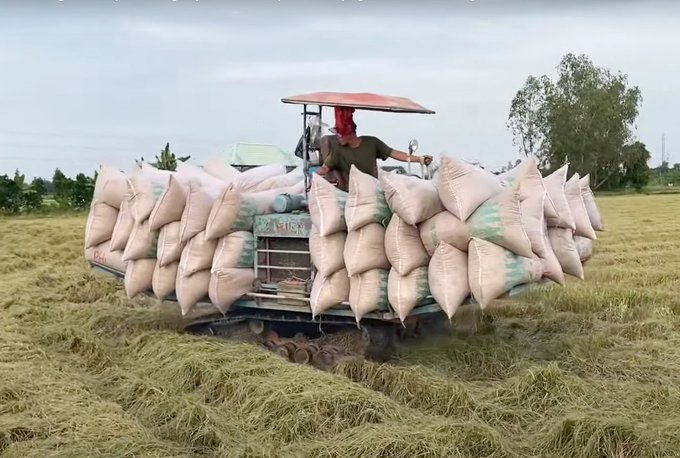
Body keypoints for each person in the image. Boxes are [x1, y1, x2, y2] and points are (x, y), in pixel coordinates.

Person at [314, 106, 433, 192]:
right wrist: (314, 176)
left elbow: (394, 153)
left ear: (349, 132)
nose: (338, 137)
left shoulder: (371, 143)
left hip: (373, 189)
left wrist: (420, 159)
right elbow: (325, 168)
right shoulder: (338, 150)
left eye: (340, 133)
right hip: (353, 193)